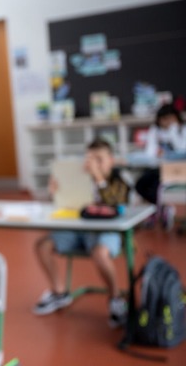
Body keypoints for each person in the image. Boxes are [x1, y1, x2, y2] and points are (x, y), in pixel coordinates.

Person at [33, 138, 130, 328]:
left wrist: (100, 179)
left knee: (100, 254)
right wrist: (54, 192)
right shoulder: (79, 176)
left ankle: (115, 298)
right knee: (43, 245)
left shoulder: (120, 177)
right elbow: (64, 205)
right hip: (77, 228)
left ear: (111, 159)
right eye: (89, 159)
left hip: (107, 229)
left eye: (99, 159)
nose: (93, 164)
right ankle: (59, 292)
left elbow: (118, 202)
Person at [134, 103, 186, 229]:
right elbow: (150, 153)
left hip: (179, 170)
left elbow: (182, 149)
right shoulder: (155, 131)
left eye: (170, 118)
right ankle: (161, 209)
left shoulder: (182, 130)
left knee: (157, 186)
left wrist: (173, 131)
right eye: (164, 119)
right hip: (159, 168)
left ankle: (158, 213)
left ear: (176, 118)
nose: (166, 122)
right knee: (141, 184)